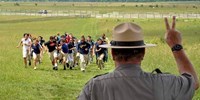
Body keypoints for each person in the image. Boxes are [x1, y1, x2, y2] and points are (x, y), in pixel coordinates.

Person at [78, 17, 199, 100]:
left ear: (113, 53)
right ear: (143, 52)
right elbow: (193, 81)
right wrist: (175, 45)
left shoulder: (94, 87)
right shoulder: (165, 83)